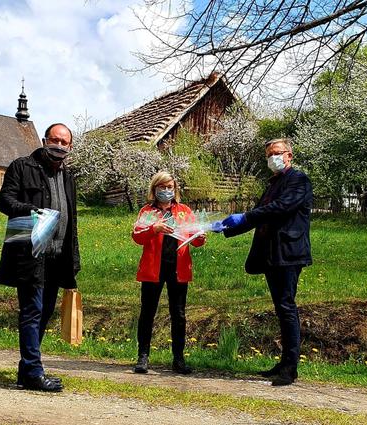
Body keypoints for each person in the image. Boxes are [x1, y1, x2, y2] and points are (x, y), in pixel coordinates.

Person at [219, 138, 312, 386]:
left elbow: (281, 208)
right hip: (271, 254)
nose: (273, 158)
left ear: (289, 155)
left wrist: (245, 216)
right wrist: (227, 227)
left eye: (277, 153)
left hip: (289, 253)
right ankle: (283, 363)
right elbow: (257, 216)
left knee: (287, 307)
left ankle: (290, 368)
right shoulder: (273, 183)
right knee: (281, 309)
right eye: (269, 155)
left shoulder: (298, 180)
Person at [0, 123, 80, 392]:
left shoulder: (68, 177)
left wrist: (73, 258)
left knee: (44, 314)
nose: (58, 145)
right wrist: (31, 210)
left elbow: (72, 219)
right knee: (32, 311)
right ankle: (33, 372)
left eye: (64, 142)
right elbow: (4, 201)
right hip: (30, 252)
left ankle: (26, 370)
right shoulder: (23, 166)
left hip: (57, 256)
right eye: (54, 140)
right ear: (44, 140)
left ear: (70, 147)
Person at [131, 171, 206, 375]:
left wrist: (200, 237)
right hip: (153, 268)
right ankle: (143, 356)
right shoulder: (147, 211)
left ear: (175, 190)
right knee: (148, 312)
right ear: (154, 189)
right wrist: (153, 229)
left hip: (178, 268)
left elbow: (196, 239)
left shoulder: (184, 211)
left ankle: (178, 359)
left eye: (169, 187)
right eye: (162, 187)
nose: (166, 191)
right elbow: (137, 237)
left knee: (179, 314)